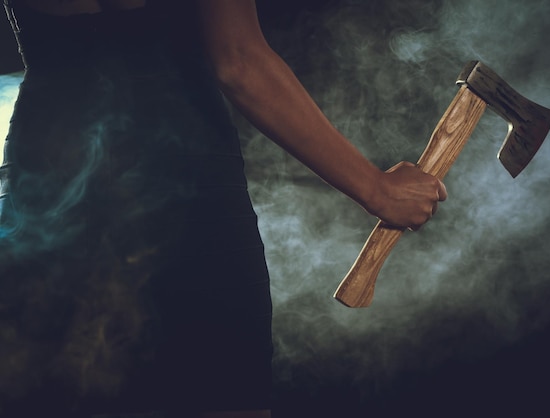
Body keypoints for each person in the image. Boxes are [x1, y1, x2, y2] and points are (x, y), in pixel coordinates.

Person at [0, 1, 447, 417]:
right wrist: (376, 188)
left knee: (59, 386)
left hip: (47, 173)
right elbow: (239, 62)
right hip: (183, 180)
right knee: (217, 391)